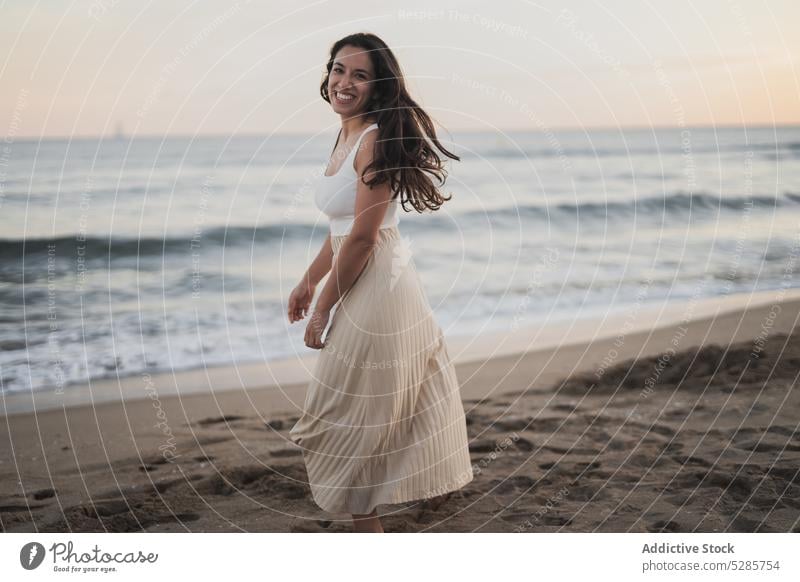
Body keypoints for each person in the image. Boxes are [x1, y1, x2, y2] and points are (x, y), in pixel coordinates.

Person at [288, 32, 473, 533]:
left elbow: (365, 238)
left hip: (378, 285)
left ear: (378, 85)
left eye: (360, 74)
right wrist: (308, 282)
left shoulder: (376, 139)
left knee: (350, 414)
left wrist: (324, 307)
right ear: (327, 75)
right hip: (363, 274)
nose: (345, 82)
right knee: (353, 416)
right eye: (339, 69)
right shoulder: (346, 134)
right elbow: (342, 230)